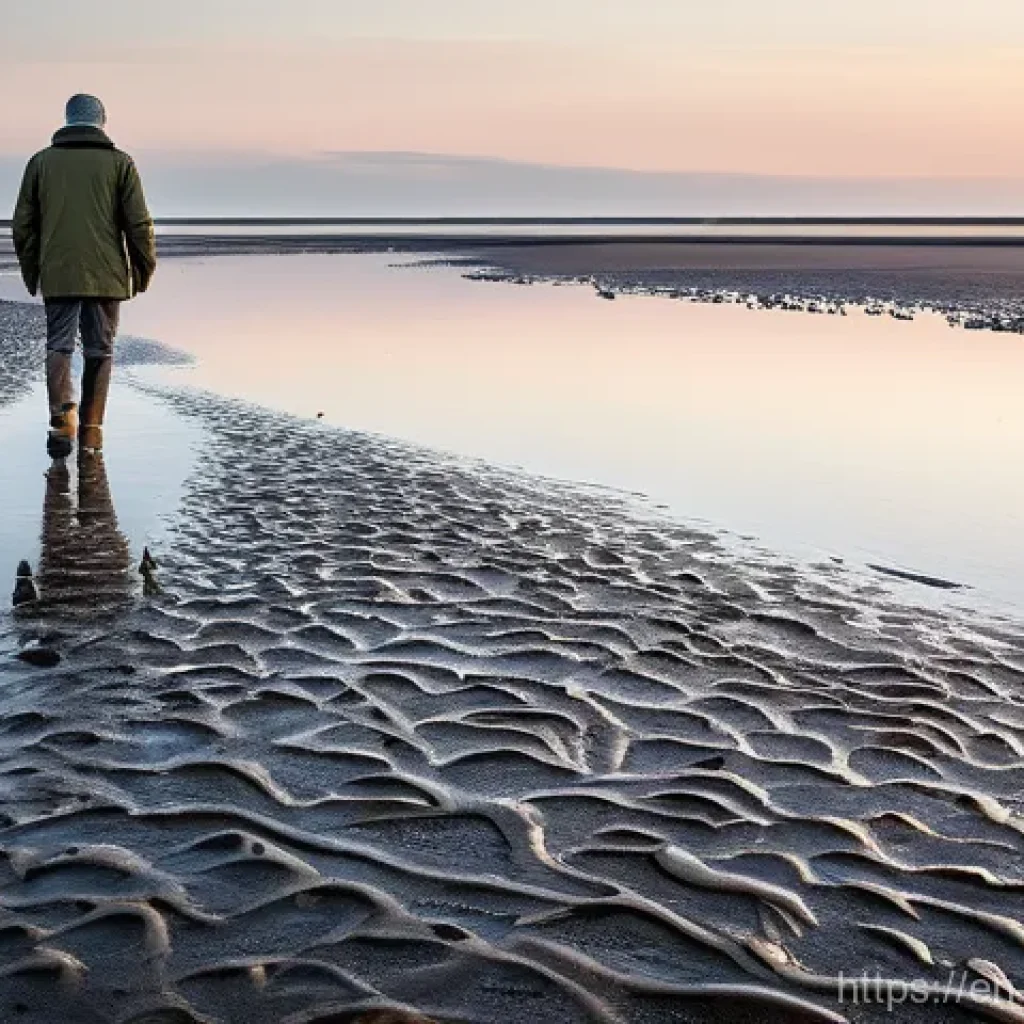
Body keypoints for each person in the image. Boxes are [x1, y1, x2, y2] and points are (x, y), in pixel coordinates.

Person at [12, 94, 157, 457]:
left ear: (67, 119)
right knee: (101, 349)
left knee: (58, 345)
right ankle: (92, 430)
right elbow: (138, 224)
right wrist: (142, 268)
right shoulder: (120, 163)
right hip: (106, 274)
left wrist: (35, 271)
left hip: (58, 271)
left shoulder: (41, 163)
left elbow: (23, 226)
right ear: (102, 121)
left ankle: (61, 422)